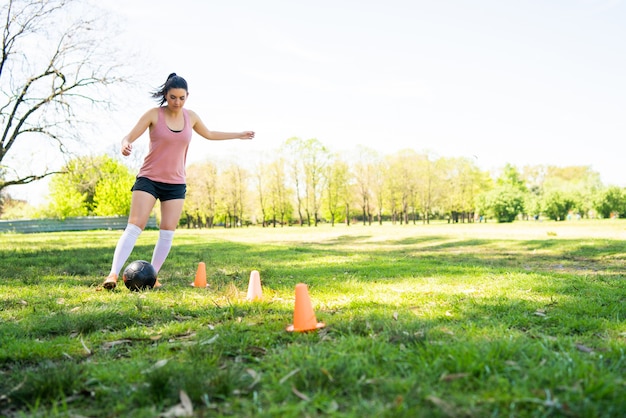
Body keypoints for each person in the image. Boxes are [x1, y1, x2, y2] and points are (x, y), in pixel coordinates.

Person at [102, 73, 254, 290]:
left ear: (187, 96)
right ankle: (113, 274)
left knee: (167, 231)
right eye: (173, 97)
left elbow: (209, 134)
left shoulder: (190, 117)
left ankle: (152, 277)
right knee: (136, 226)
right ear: (166, 95)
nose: (177, 102)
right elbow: (128, 137)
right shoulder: (154, 114)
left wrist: (238, 134)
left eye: (182, 98)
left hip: (175, 183)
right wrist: (125, 144)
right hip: (149, 178)